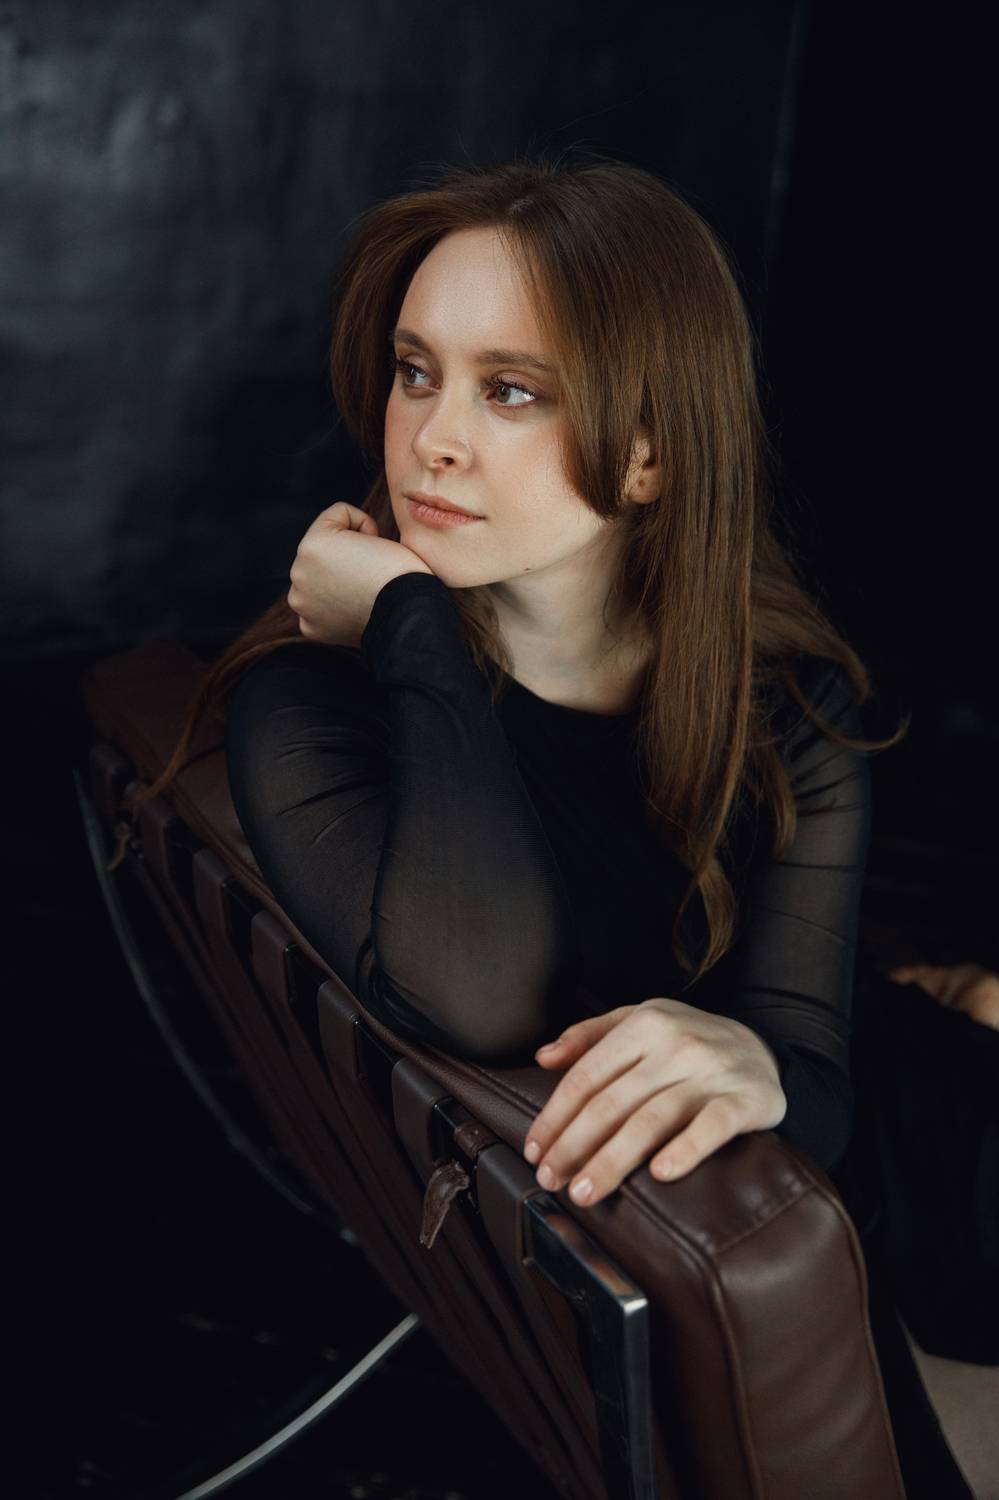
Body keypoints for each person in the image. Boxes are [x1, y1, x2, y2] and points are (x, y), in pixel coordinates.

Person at [114, 153, 977, 1495]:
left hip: (902, 1125)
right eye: (416, 372)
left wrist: (760, 1058)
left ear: (649, 456)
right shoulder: (318, 700)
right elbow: (476, 981)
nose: (432, 440)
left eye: (509, 390)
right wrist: (411, 623)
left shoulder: (784, 708)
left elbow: (816, 1067)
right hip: (804, 1217)